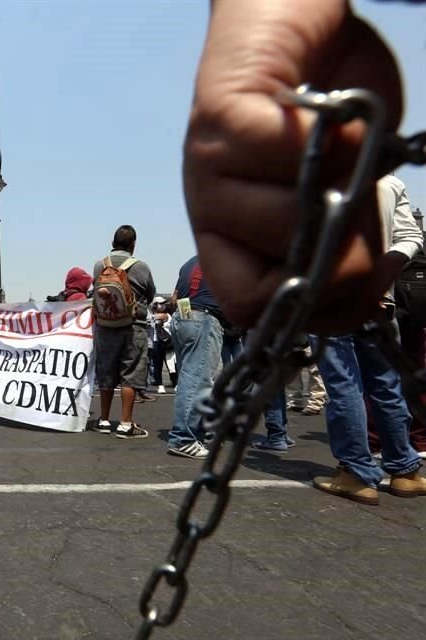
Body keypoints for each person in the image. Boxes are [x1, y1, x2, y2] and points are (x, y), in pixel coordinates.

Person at [183, 0, 414, 335]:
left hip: (357, 294)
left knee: (372, 381)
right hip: (336, 291)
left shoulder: (386, 180)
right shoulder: (377, 174)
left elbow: (408, 236)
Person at [312, 175, 426, 504]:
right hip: (380, 299)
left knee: (344, 385)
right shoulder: (389, 180)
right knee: (386, 385)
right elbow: (409, 236)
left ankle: (355, 473)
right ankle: (404, 470)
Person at [89, 225, 156, 438]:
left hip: (106, 326)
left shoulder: (100, 265)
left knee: (106, 372)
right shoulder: (141, 267)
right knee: (131, 372)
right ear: (133, 245)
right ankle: (126, 424)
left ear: (112, 243)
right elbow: (150, 293)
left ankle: (105, 420)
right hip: (133, 326)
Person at [167, 257, 224, 459]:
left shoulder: (189, 263)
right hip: (204, 319)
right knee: (197, 382)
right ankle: (183, 438)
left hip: (183, 316)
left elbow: (174, 298)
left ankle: (194, 434)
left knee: (189, 379)